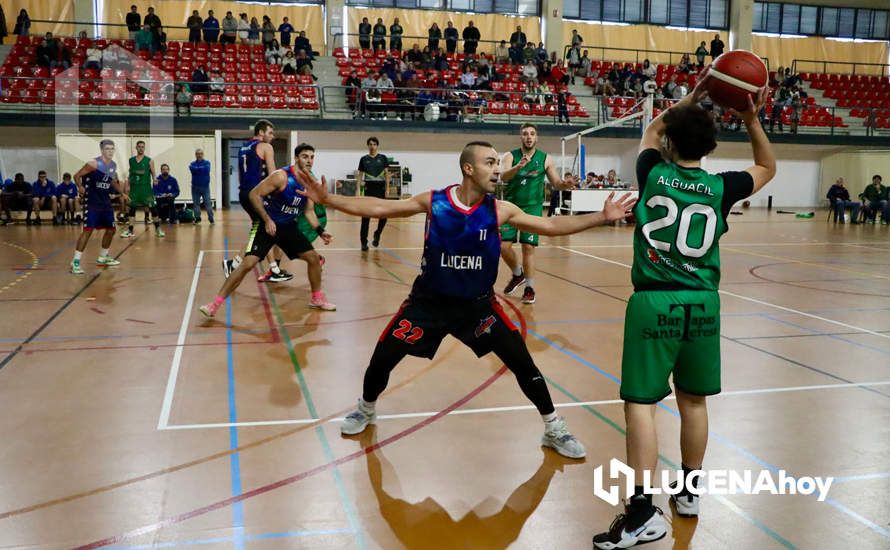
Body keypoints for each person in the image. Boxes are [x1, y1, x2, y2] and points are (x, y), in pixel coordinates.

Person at [295, 141, 635, 457]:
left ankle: (553, 428)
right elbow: (383, 205)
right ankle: (366, 408)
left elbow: (548, 225)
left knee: (522, 363)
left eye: (498, 163)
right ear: (468, 169)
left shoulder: (501, 210)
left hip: (478, 307)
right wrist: (330, 201)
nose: (498, 169)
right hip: (427, 304)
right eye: (490, 163)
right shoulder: (435, 201)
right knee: (383, 357)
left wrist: (601, 218)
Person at [591, 70, 776, 548]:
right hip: (705, 304)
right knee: (694, 401)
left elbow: (649, 134)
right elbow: (767, 166)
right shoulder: (721, 187)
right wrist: (751, 118)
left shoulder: (653, 171)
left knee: (641, 403)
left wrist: (682, 102)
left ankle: (640, 513)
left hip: (655, 301)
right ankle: (689, 492)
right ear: (711, 148)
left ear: (671, 140)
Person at [199, 143, 335, 318]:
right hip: (267, 225)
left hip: (288, 227)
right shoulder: (281, 176)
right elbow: (254, 194)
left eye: (312, 157)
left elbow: (308, 211)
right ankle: (214, 305)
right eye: (305, 156)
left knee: (314, 259)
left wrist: (320, 230)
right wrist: (267, 219)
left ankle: (317, 298)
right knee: (248, 264)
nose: (309, 160)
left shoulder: (310, 183)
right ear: (296, 158)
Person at [500, 123, 578, 305]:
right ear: (521, 137)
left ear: (537, 137)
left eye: (532, 134)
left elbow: (556, 183)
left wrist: (565, 184)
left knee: (528, 248)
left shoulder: (546, 159)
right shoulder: (511, 156)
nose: (528, 137)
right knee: (503, 247)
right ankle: (517, 274)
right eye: (525, 134)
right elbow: (503, 177)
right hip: (510, 207)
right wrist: (518, 167)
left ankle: (529, 288)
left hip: (532, 208)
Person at [223, 120, 293, 283]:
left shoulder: (243, 148)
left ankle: (233, 264)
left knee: (259, 230)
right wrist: (280, 193)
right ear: (261, 133)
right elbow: (273, 173)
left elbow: (241, 175)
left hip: (244, 193)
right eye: (270, 133)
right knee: (268, 230)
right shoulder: (265, 147)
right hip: (259, 194)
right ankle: (273, 270)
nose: (272, 136)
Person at [70, 140, 130, 275]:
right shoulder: (94, 164)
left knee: (111, 230)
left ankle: (103, 257)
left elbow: (112, 181)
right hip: (92, 203)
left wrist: (122, 193)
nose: (110, 151)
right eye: (107, 149)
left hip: (105, 203)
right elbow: (76, 175)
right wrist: (79, 186)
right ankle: (76, 262)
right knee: (88, 231)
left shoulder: (113, 165)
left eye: (112, 149)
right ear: (102, 150)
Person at [121, 140, 163, 238]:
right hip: (135, 188)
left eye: (142, 147)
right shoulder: (131, 160)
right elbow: (130, 173)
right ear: (136, 148)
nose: (141, 148)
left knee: (152, 208)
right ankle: (130, 230)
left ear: (144, 148)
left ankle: (158, 229)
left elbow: (153, 172)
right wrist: (128, 185)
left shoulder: (149, 160)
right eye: (139, 146)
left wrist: (155, 179)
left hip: (145, 188)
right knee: (132, 208)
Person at [356, 137, 390, 251]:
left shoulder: (383, 158)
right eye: (370, 144)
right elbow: (360, 175)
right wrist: (358, 190)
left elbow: (386, 174)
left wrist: (387, 189)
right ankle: (363, 242)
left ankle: (378, 234)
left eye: (374, 144)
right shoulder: (363, 159)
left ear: (377, 146)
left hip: (380, 189)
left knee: (384, 216)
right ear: (368, 145)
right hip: (368, 189)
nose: (372, 146)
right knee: (365, 218)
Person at [189, 149, 213, 224]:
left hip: (205, 187)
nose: (199, 155)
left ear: (203, 154)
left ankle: (211, 219)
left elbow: (206, 170)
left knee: (208, 204)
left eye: (201, 154)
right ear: (195, 155)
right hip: (195, 187)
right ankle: (198, 219)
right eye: (198, 154)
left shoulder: (207, 163)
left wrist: (197, 169)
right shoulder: (192, 163)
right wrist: (201, 169)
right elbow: (192, 170)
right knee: (196, 204)